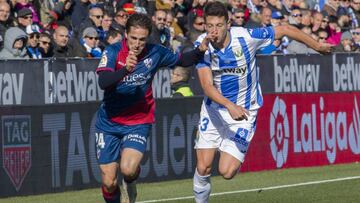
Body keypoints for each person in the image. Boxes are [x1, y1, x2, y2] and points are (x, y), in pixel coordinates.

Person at [192, 2, 332, 203]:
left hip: (244, 112)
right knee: (203, 167)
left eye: (219, 25)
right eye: (210, 26)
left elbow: (284, 29)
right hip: (215, 111)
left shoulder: (246, 36)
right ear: (205, 25)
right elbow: (206, 86)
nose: (214, 31)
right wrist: (229, 106)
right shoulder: (201, 45)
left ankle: (228, 145)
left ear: (228, 24)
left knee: (226, 171)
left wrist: (317, 46)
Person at [95, 12, 213, 203]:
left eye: (142, 39)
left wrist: (199, 50)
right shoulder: (112, 52)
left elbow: (182, 61)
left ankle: (131, 182)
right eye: (133, 38)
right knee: (109, 182)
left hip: (139, 120)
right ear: (126, 34)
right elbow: (103, 81)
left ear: (147, 37)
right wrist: (125, 69)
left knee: (128, 169)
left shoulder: (155, 52)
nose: (137, 43)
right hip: (108, 122)